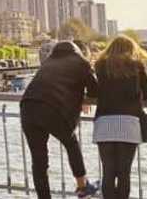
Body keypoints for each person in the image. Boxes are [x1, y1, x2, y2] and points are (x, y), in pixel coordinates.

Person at [21, 40, 100, 198]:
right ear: (80, 51)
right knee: (71, 143)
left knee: (39, 161)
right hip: (52, 109)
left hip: (28, 107)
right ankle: (82, 185)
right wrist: (84, 97)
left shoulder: (48, 62)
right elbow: (95, 90)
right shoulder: (81, 62)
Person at [91, 35, 147, 199]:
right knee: (124, 173)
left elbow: (96, 91)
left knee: (108, 172)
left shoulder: (100, 65)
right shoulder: (136, 66)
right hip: (129, 122)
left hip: (104, 123)